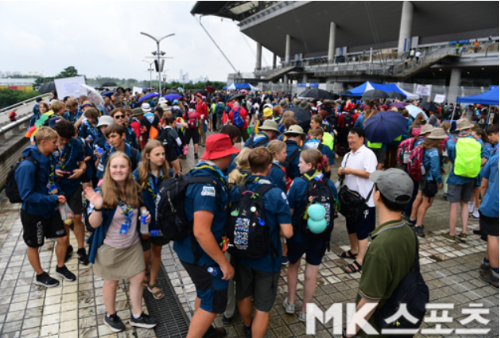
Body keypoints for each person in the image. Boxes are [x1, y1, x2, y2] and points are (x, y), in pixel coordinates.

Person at [173, 134, 239, 338]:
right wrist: (224, 263)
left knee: (205, 293)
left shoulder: (198, 172)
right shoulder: (207, 185)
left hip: (190, 250)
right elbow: (201, 232)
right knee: (212, 300)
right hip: (201, 255)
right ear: (224, 156)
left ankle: (206, 331)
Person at [85, 152, 157, 332]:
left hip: (132, 245)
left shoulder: (133, 187)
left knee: (138, 278)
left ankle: (137, 315)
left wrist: (144, 214)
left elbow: (140, 205)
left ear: (129, 168)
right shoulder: (101, 192)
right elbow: (93, 224)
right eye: (114, 166)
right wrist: (98, 206)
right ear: (108, 169)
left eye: (122, 166)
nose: (118, 170)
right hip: (111, 247)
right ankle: (110, 315)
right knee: (111, 282)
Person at [345, 169, 416, 338]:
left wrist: (348, 333)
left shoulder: (380, 247)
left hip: (375, 328)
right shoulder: (408, 231)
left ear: (377, 196)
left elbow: (369, 302)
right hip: (397, 318)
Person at [230, 147, 293, 338]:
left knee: (244, 294)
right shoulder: (276, 194)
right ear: (269, 167)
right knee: (263, 307)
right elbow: (287, 233)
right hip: (268, 257)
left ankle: (247, 327)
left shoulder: (237, 190)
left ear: (249, 166)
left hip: (241, 253)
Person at [16, 127, 76, 287]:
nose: (57, 145)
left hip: (51, 207)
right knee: (34, 244)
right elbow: (26, 195)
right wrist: (53, 198)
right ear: (43, 142)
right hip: (34, 212)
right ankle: (40, 275)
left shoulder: (49, 158)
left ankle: (60, 267)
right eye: (54, 142)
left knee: (63, 237)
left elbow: (49, 180)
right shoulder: (27, 166)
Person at [284, 148, 338, 322]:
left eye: (300, 162)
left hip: (299, 236)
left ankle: (291, 303)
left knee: (293, 267)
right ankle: (305, 311)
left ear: (309, 165)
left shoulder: (298, 183)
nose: (298, 165)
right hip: (320, 236)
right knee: (311, 273)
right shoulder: (329, 183)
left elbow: (290, 211)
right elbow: (335, 209)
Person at [133, 140, 171, 300]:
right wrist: (142, 209)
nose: (161, 157)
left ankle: (153, 282)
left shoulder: (167, 173)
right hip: (144, 221)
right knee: (145, 253)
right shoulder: (138, 174)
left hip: (161, 221)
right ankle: (145, 271)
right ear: (147, 156)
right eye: (157, 154)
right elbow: (133, 196)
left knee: (157, 250)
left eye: (163, 154)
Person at [337, 127, 378, 273]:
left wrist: (349, 171)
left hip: (365, 201)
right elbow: (343, 170)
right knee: (351, 227)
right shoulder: (348, 155)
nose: (350, 140)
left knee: (362, 231)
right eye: (348, 137)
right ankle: (353, 251)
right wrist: (340, 171)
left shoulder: (368, 154)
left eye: (353, 137)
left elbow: (371, 174)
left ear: (362, 138)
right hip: (350, 200)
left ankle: (361, 259)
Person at [442, 119, 485, 243]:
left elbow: (451, 158)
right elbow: (483, 156)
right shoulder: (478, 141)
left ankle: (451, 233)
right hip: (471, 176)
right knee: (464, 203)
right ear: (469, 129)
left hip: (456, 176)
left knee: (454, 205)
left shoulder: (452, 142)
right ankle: (464, 232)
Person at [52, 120, 88, 264]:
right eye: (62, 139)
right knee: (65, 219)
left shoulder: (76, 144)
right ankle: (67, 247)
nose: (64, 141)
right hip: (59, 189)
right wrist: (54, 171)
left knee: (77, 218)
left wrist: (81, 170)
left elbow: (82, 162)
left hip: (74, 185)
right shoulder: (50, 145)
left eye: (67, 138)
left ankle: (81, 249)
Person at [409, 128, 447, 237]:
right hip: (429, 179)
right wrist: (440, 180)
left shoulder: (423, 145)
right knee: (426, 203)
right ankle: (418, 225)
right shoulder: (434, 151)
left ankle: (412, 218)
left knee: (419, 196)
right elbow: (434, 168)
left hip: (422, 176)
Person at [478, 154, 499, 287]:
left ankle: (496, 274)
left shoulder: (495, 159)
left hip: (493, 205)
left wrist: (482, 200)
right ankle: (487, 262)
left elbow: (483, 185)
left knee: (493, 237)